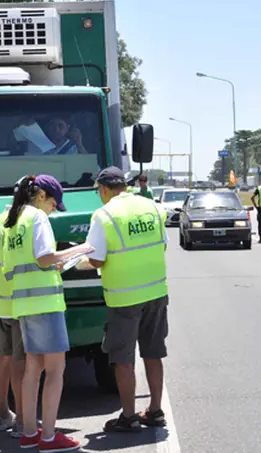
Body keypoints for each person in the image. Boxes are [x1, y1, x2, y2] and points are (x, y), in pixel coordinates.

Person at [1, 174, 94, 451]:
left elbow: (16, 266)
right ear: (41, 195)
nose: (54, 209)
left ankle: (30, 433)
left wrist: (55, 263)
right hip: (45, 304)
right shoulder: (37, 218)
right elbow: (43, 258)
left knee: (33, 369)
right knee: (55, 370)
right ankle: (50, 437)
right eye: (54, 203)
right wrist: (78, 250)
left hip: (23, 304)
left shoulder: (13, 221)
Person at [84, 166, 170, 432]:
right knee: (153, 353)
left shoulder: (104, 215)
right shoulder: (153, 207)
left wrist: (77, 260)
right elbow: (163, 244)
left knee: (123, 358)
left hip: (124, 298)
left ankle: (129, 416)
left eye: (98, 191)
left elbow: (96, 259)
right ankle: (155, 410)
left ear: (104, 189)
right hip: (156, 293)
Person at [0, 200, 25, 437]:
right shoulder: (21, 222)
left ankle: (2, 413)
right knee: (22, 363)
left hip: (2, 301)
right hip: (21, 300)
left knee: (4, 357)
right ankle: (22, 420)